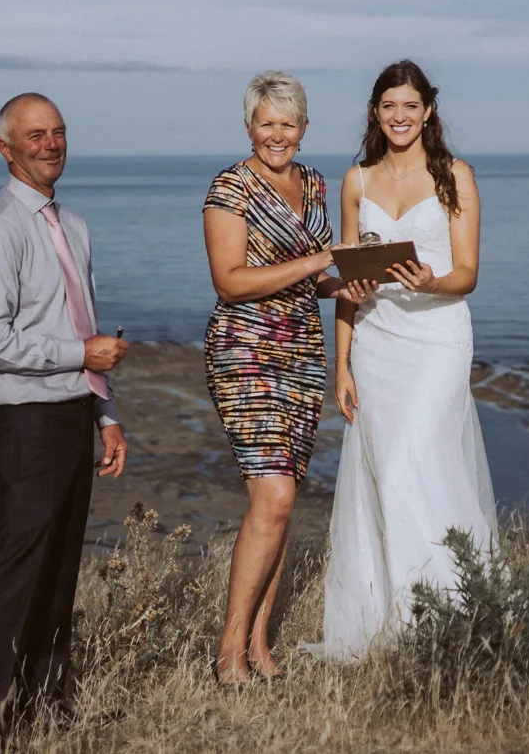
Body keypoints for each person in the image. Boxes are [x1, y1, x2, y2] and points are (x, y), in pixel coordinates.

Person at [0, 93, 129, 749]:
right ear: (6, 148)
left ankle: (49, 706)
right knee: (17, 570)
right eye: (35, 135)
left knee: (60, 568)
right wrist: (80, 355)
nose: (51, 143)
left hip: (73, 414)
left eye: (58, 131)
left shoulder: (72, 225)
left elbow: (83, 321)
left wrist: (107, 412)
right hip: (22, 419)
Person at [316, 60, 497, 658]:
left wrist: (427, 281)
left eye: (410, 106)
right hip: (376, 341)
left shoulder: (456, 177)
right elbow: (345, 279)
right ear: (376, 112)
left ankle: (447, 614)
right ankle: (389, 619)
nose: (400, 116)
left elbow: (466, 274)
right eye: (389, 105)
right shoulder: (356, 181)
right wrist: (340, 363)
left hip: (437, 339)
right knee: (380, 472)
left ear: (428, 112)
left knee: (418, 464)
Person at [201, 71, 360, 685]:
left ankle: (259, 646)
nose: (277, 135)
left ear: (304, 127)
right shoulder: (230, 189)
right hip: (245, 352)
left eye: (287, 123)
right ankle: (227, 653)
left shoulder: (316, 183)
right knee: (274, 496)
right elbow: (230, 280)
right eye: (266, 123)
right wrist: (320, 259)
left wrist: (346, 279)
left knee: (283, 501)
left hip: (303, 352)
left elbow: (319, 280)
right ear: (249, 127)